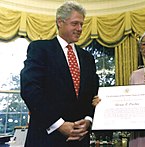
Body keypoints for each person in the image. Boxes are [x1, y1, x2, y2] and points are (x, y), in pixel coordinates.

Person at [20, 1, 99, 147]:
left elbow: (94, 94)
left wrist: (88, 120)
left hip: (80, 139)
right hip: (46, 138)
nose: (80, 28)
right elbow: (30, 89)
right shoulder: (40, 49)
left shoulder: (88, 58)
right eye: (75, 23)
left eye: (82, 24)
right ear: (60, 22)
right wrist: (58, 124)